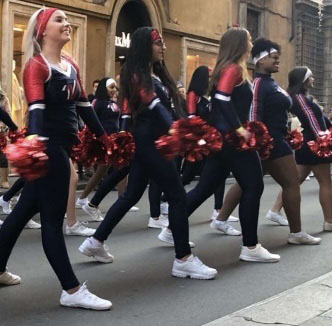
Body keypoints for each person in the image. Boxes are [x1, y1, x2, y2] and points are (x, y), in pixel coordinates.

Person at [79, 27, 217, 280]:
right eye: (158, 43)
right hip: (151, 143)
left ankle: (95, 241)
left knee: (131, 195)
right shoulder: (135, 74)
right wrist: (178, 129)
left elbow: (146, 109)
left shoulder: (151, 74)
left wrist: (184, 127)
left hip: (149, 141)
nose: (163, 47)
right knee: (176, 195)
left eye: (163, 43)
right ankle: (183, 258)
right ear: (145, 46)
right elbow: (152, 105)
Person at [0, 7, 111, 310]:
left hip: (64, 146)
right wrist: (35, 147)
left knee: (23, 211)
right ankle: (71, 289)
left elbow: (84, 106)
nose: (68, 24)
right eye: (60, 20)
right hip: (50, 150)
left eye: (67, 20)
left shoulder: (70, 64)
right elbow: (35, 110)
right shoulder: (36, 66)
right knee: (51, 220)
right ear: (42, 30)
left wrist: (105, 140)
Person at [169, 27, 280, 263]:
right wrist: (239, 129)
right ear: (240, 44)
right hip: (232, 141)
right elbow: (221, 99)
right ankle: (250, 246)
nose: (251, 44)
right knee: (254, 186)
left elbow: (221, 101)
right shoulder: (233, 69)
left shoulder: (229, 68)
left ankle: (172, 226)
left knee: (205, 188)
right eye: (249, 41)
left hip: (223, 140)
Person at [215, 38, 321, 245]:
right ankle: (296, 233)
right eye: (274, 58)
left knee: (245, 183)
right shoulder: (259, 84)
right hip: (271, 141)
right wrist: (257, 140)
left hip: (276, 139)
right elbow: (253, 113)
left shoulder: (269, 83)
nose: (278, 61)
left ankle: (220, 219)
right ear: (261, 60)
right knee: (291, 184)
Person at [268, 67, 332, 232]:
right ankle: (329, 221)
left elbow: (318, 118)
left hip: (310, 143)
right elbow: (311, 119)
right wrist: (323, 138)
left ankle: (274, 211)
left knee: (293, 182)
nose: (313, 79)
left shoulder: (301, 97)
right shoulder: (299, 98)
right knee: (325, 182)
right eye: (311, 77)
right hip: (315, 144)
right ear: (303, 79)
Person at [76, 77, 138, 220]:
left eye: (115, 88)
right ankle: (84, 198)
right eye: (111, 87)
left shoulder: (114, 103)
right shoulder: (98, 103)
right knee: (102, 171)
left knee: (121, 168)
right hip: (104, 140)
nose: (114, 90)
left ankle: (122, 199)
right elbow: (90, 119)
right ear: (104, 88)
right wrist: (93, 138)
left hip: (115, 140)